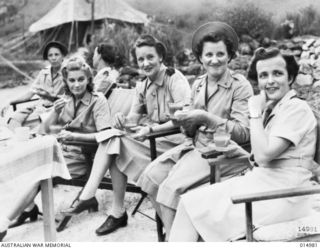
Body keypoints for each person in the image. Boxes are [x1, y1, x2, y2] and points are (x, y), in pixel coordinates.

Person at [169, 47, 318, 241]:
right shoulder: (276, 108)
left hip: (284, 196)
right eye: (263, 75)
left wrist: (254, 112)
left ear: (290, 78)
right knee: (189, 204)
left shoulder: (296, 108)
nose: (270, 81)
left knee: (192, 208)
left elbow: (264, 157)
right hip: (264, 185)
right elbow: (260, 156)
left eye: (278, 74)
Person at [61, 34, 191, 236]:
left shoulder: (174, 79)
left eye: (150, 57)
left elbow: (183, 121)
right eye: (141, 59)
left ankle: (103, 202)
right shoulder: (143, 85)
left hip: (176, 142)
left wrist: (150, 130)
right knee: (114, 141)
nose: (145, 63)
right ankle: (111, 207)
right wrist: (122, 119)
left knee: (115, 144)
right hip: (153, 140)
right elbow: (133, 117)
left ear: (161, 57)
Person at [137, 22, 253, 238]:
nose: (214, 59)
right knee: (150, 178)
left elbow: (244, 133)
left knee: (168, 189)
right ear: (200, 58)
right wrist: (184, 121)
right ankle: (177, 235)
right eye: (208, 54)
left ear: (230, 55)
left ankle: (176, 239)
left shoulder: (240, 85)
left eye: (220, 53)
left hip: (223, 153)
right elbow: (190, 125)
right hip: (194, 146)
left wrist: (205, 118)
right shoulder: (198, 84)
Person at [8, 56, 111, 228]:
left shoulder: (97, 100)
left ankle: (7, 221)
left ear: (88, 79)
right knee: (26, 166)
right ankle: (28, 209)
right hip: (62, 153)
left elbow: (105, 137)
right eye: (71, 80)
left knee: (39, 172)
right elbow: (43, 130)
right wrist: (55, 113)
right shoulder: (66, 100)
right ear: (66, 81)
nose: (76, 84)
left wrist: (75, 137)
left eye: (80, 79)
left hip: (85, 157)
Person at [6, 41, 68, 129]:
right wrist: (10, 103)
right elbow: (30, 94)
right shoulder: (44, 73)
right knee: (13, 120)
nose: (53, 58)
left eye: (56, 54)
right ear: (47, 58)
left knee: (32, 126)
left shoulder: (68, 72)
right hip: (39, 106)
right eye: (50, 55)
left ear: (62, 56)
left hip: (57, 109)